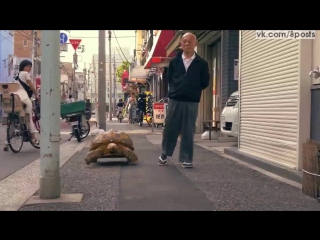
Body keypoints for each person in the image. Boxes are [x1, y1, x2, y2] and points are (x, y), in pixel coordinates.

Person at [158, 32, 210, 168]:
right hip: (175, 99)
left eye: (190, 41)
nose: (187, 44)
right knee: (170, 128)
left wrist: (193, 89)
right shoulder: (174, 62)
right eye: (184, 41)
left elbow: (205, 82)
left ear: (195, 44)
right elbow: (170, 79)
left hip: (192, 100)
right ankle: (164, 153)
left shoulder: (202, 63)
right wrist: (176, 89)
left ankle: (187, 158)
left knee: (188, 129)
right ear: (181, 43)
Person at [13, 60, 40, 145]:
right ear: (24, 66)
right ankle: (33, 138)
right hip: (24, 98)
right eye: (29, 66)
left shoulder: (17, 75)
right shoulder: (25, 74)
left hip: (15, 97)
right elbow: (31, 85)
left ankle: (8, 139)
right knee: (28, 118)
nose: (30, 68)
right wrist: (36, 94)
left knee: (16, 115)